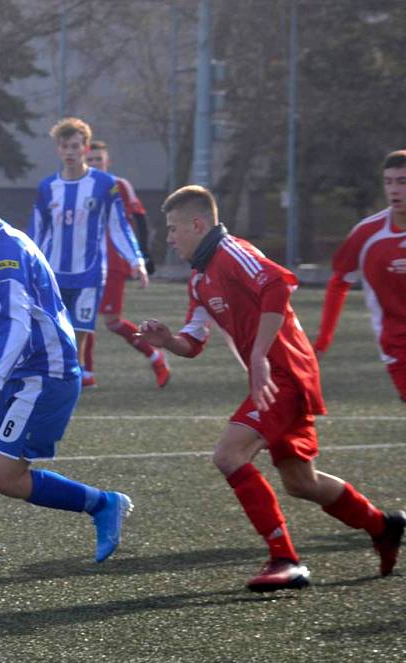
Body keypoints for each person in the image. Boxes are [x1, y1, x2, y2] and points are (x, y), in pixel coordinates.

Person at [137, 185, 404, 592]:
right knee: (301, 482)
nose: (169, 239)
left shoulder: (233, 252)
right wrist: (168, 341)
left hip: (285, 374)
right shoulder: (199, 280)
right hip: (274, 376)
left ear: (197, 224)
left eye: (173, 229)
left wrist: (259, 356)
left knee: (229, 454)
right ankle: (382, 526)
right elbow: (193, 343)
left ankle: (285, 559)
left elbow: (277, 284)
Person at [0, 171, 133, 565]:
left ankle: (103, 504)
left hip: (44, 376)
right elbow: (21, 316)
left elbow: (19, 323)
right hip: (27, 370)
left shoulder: (4, 254)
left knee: (6, 477)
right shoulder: (6, 243)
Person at [29, 118, 148, 388]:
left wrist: (136, 260)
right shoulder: (47, 187)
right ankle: (62, 374)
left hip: (90, 273)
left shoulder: (105, 184)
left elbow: (119, 226)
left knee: (80, 331)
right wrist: (28, 267)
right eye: (64, 146)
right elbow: (37, 232)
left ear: (84, 148)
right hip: (53, 273)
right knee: (53, 331)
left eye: (74, 146)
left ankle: (74, 374)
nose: (69, 151)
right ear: (57, 150)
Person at [314, 149, 406, 402]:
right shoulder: (367, 234)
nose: (394, 190)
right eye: (389, 182)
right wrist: (323, 340)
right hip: (398, 345)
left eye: (402, 182)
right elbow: (339, 282)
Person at [83, 139, 169, 388]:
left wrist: (142, 255)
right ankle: (86, 375)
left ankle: (155, 355)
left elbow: (139, 218)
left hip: (113, 262)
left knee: (112, 321)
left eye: (99, 159)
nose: (95, 163)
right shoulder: (79, 186)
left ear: (107, 161)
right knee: (82, 320)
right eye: (90, 160)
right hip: (84, 263)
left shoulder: (119, 185)